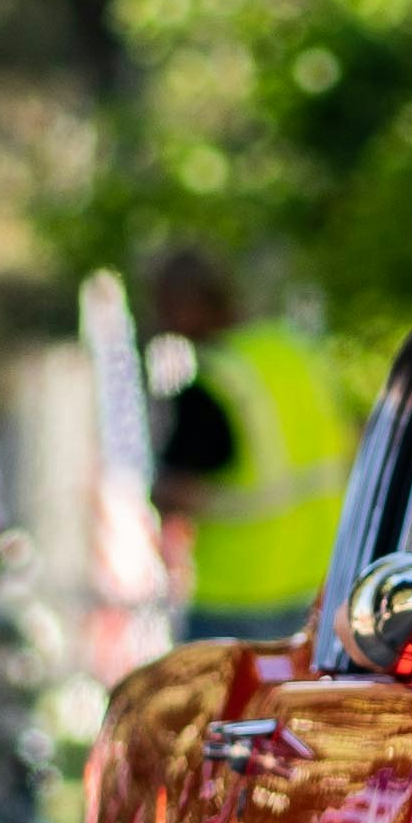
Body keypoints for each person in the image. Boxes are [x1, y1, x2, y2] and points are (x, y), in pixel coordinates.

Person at [146, 247, 359, 638]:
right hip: (323, 588)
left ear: (189, 304)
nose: (161, 324)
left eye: (163, 308)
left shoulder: (214, 383)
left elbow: (180, 490)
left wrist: (157, 492)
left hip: (237, 602)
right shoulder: (298, 353)